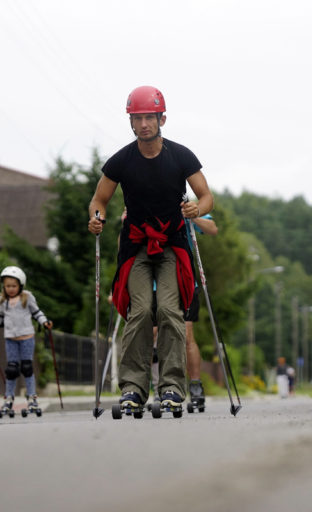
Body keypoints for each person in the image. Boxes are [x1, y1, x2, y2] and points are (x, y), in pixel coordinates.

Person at [88, 85, 214, 411]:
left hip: (172, 244)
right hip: (136, 246)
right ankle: (132, 388)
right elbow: (99, 200)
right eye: (137, 117)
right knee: (140, 311)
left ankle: (171, 387)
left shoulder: (181, 156)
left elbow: (205, 196)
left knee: (170, 312)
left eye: (149, 117)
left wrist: (196, 210)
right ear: (130, 122)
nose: (144, 123)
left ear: (162, 118)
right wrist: (97, 218)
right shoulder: (121, 160)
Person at [0, 266, 53, 415]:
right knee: (12, 369)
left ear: (21, 285)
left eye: (14, 286)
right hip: (10, 339)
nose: (11, 289)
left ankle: (32, 398)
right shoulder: (2, 300)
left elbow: (36, 312)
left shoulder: (27, 297)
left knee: (27, 368)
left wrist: (44, 322)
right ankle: (8, 398)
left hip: (27, 337)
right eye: (8, 286)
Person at [184, 214, 218, 408]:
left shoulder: (185, 206)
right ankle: (157, 386)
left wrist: (192, 216)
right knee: (153, 334)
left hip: (186, 282)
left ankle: (195, 384)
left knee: (187, 335)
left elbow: (212, 228)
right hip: (154, 283)